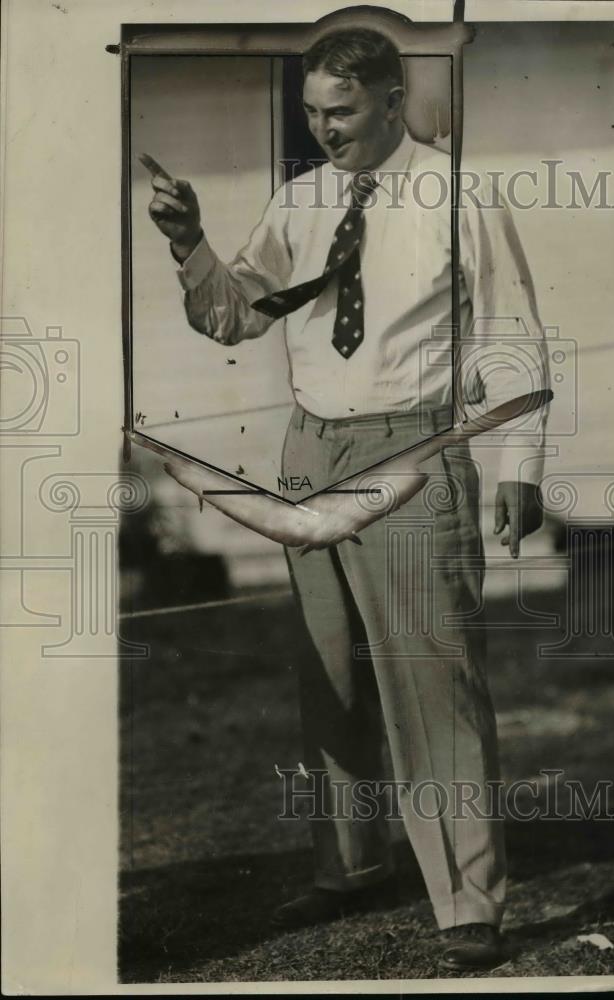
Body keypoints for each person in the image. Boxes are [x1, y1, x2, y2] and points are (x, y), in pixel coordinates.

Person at [141, 27, 550, 972]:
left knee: (430, 680)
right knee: (330, 677)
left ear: (393, 102)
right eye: (313, 113)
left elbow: (513, 337)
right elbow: (231, 318)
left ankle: (467, 902)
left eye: (342, 112)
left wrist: (518, 463)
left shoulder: (460, 195)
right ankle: (352, 864)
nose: (324, 130)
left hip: (412, 449)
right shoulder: (300, 200)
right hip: (307, 450)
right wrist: (190, 244)